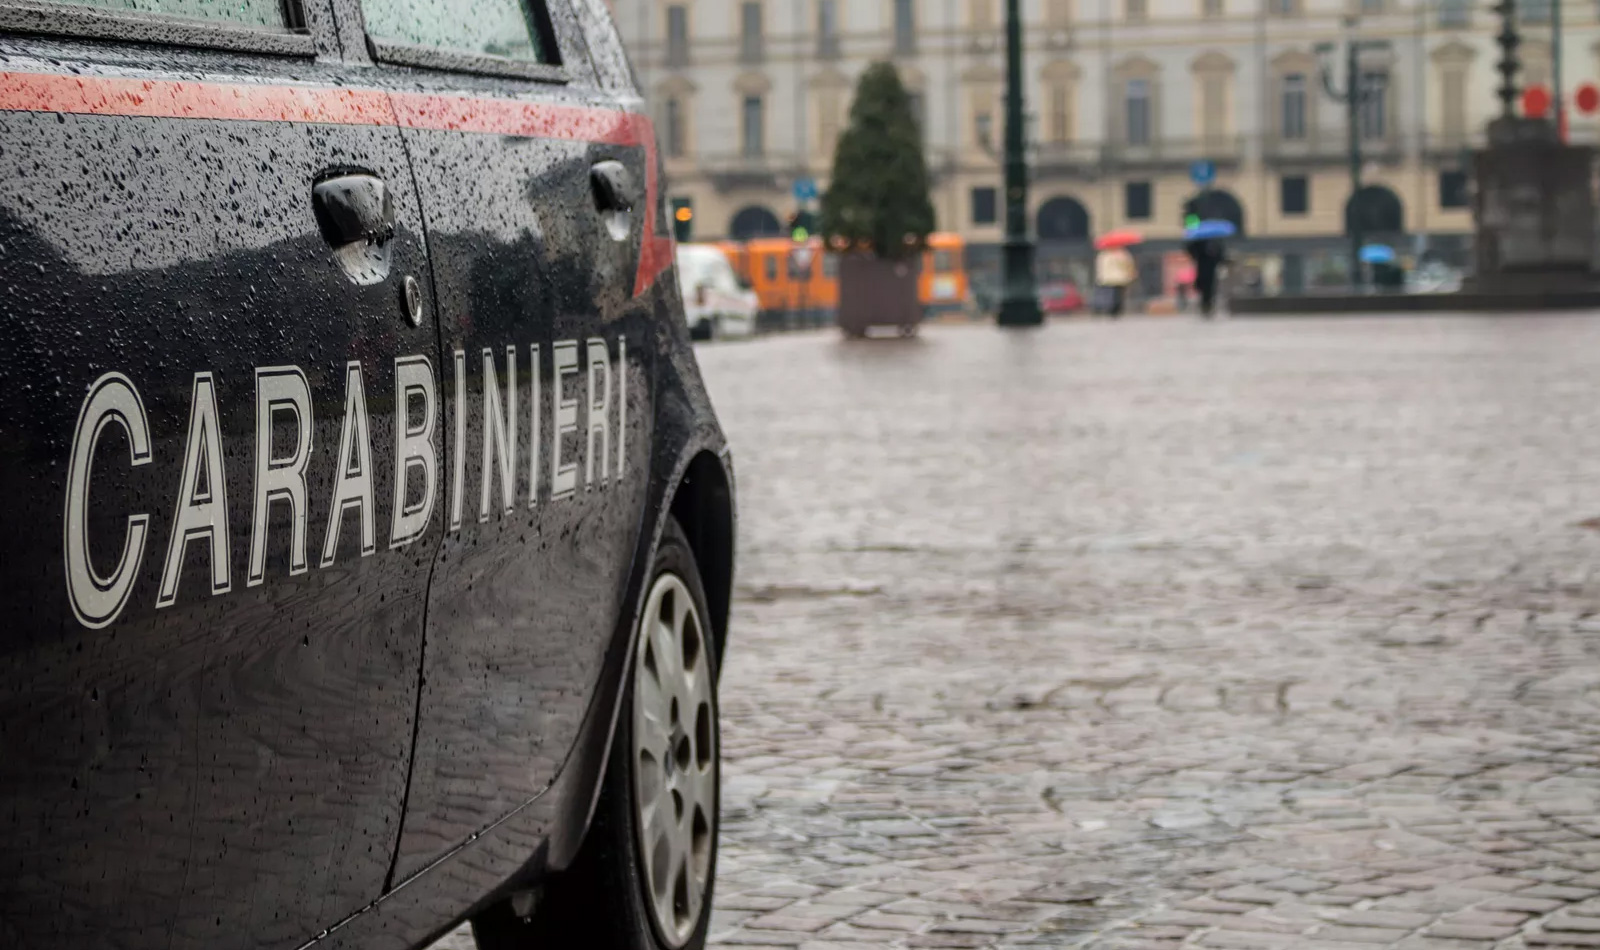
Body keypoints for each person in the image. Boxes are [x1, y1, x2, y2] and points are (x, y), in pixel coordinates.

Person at [1186, 238, 1227, 318]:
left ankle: (1208, 306)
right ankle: (1204, 305)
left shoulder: (1216, 243)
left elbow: (1220, 255)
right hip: (1202, 269)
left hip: (1212, 270)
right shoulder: (1199, 242)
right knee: (1202, 286)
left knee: (1210, 288)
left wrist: (1218, 258)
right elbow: (1191, 250)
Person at [1094, 245, 1137, 317]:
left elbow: (1100, 267)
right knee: (1118, 294)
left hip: (1107, 278)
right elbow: (1128, 265)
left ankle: (1111, 308)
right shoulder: (1123, 254)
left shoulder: (1103, 255)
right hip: (1119, 277)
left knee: (1110, 294)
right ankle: (1116, 308)